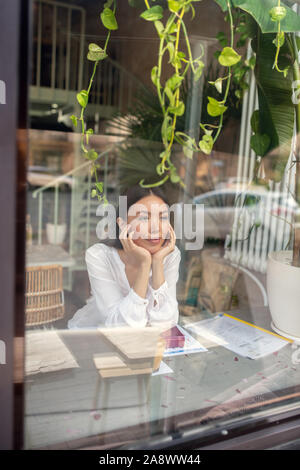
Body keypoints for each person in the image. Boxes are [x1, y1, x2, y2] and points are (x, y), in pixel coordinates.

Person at [67, 185, 181, 329]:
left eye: (163, 217)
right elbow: (120, 327)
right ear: (123, 224)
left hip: (144, 345)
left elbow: (167, 324)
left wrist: (157, 263)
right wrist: (145, 264)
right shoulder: (100, 256)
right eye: (144, 217)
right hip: (95, 338)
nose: (155, 228)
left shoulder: (169, 255)